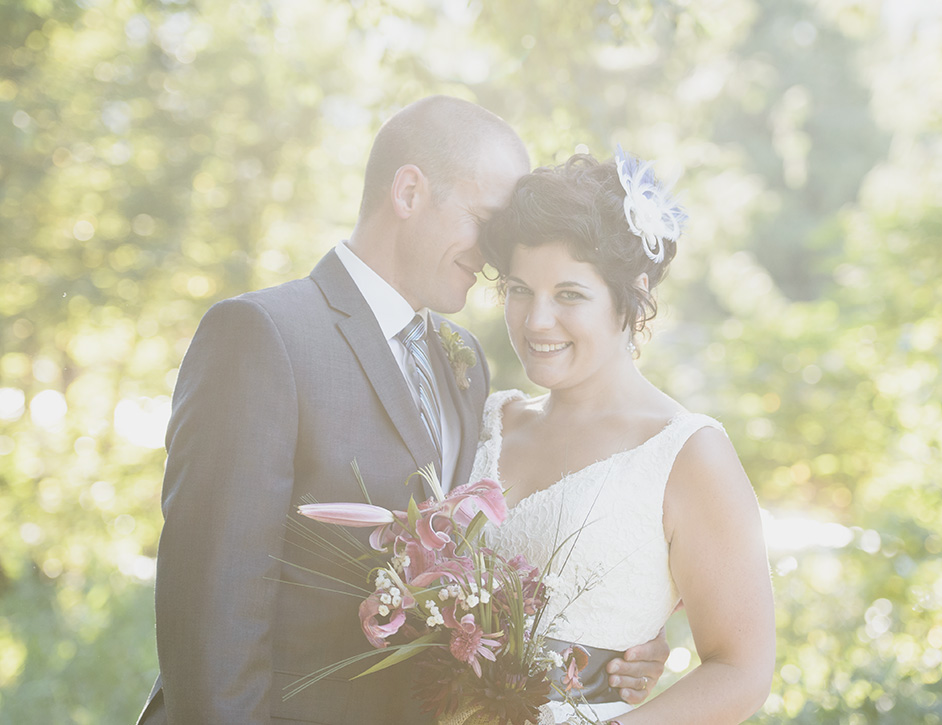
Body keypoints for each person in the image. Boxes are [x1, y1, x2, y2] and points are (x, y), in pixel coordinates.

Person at [135, 96, 668, 725]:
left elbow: (471, 579)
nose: (500, 255)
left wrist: (607, 652)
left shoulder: (462, 362)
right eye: (486, 220)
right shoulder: (262, 335)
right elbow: (208, 612)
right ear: (409, 191)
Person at [473, 151, 776, 724]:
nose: (536, 321)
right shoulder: (489, 420)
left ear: (631, 295)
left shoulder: (687, 453)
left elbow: (741, 671)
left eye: (569, 294)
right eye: (519, 290)